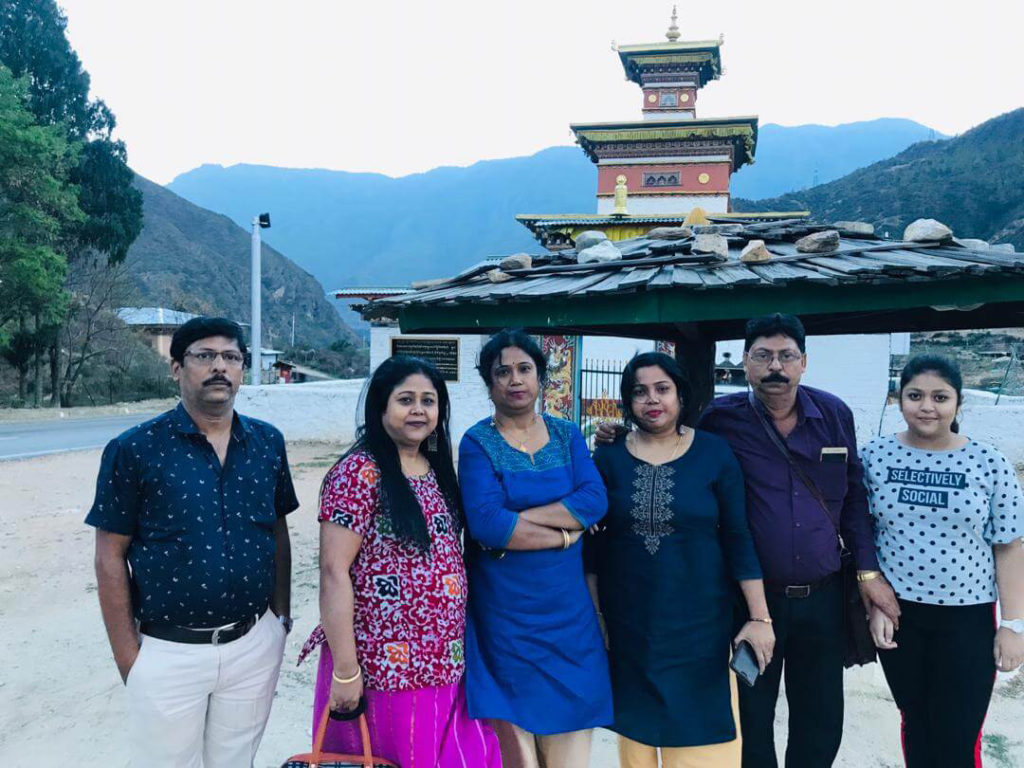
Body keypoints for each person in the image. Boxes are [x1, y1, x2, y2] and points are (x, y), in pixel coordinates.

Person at [598, 313, 900, 768]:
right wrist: (624, 436)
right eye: (763, 355)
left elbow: (855, 498)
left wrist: (868, 573)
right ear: (745, 361)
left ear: (803, 362)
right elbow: (676, 447)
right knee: (752, 722)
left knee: (820, 722)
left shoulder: (834, 415)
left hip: (823, 596)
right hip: (752, 601)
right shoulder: (723, 420)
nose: (775, 366)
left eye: (786, 356)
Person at [87, 316, 298, 768]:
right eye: (205, 356)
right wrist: (130, 658)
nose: (219, 366)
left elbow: (277, 532)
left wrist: (279, 619)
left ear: (242, 369)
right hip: (168, 652)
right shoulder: (135, 449)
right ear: (176, 368)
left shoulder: (267, 443)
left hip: (253, 645)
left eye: (231, 357)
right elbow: (109, 557)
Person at [298, 355, 501, 766]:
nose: (418, 410)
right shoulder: (359, 473)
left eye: (429, 401)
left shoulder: (435, 469)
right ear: (381, 407)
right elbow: (334, 572)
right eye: (405, 400)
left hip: (444, 662)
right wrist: (346, 671)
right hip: (384, 670)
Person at [586, 352, 774, 768]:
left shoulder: (714, 454)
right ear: (628, 401)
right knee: (636, 748)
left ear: (681, 395)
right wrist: (596, 615)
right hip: (631, 631)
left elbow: (738, 537)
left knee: (701, 747)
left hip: (701, 632)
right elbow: (593, 551)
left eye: (662, 389)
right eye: (640, 392)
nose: (652, 399)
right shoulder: (608, 459)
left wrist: (760, 618)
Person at [459, 329, 612, 768]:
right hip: (505, 615)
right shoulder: (477, 442)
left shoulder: (566, 435)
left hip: (568, 616)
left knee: (571, 741)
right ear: (489, 383)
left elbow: (593, 500)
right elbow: (488, 525)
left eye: (524, 369)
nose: (515, 379)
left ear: (540, 377)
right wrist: (565, 534)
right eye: (502, 372)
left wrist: (519, 520)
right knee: (516, 747)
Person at [862, 355, 1024, 767]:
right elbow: (860, 535)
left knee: (958, 734)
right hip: (899, 615)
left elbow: (1009, 546)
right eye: (915, 395)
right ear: (899, 399)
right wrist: (873, 603)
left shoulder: (989, 462)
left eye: (940, 397)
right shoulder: (874, 457)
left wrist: (1013, 625)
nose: (926, 406)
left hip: (967, 618)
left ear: (958, 403)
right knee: (917, 723)